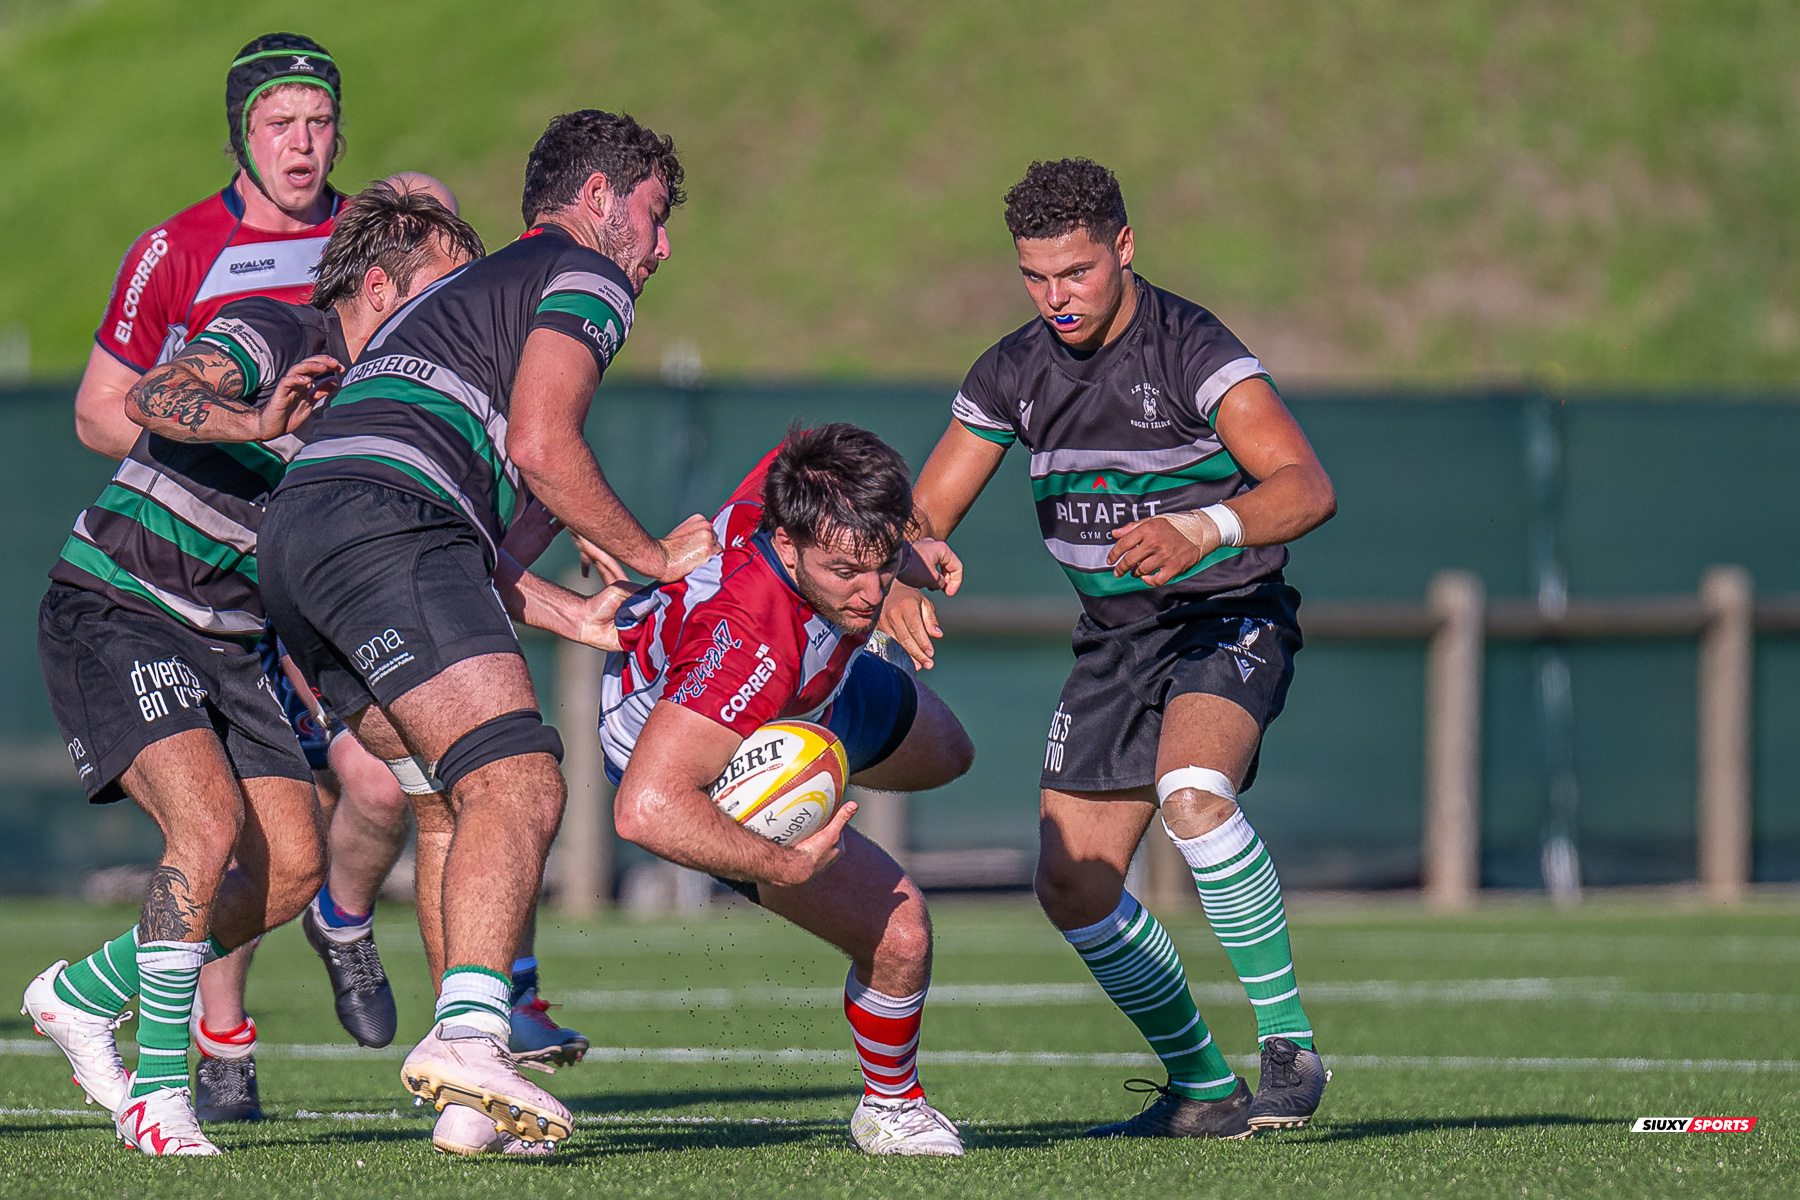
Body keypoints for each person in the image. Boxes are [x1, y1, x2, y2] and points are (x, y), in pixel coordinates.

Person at [258, 109, 719, 1149]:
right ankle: (472, 1038)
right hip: (384, 524)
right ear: (597, 199)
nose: (661, 246)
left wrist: (570, 612)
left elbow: (467, 532)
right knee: (521, 782)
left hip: (301, 539)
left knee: (448, 799)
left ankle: (472, 1091)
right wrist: (653, 558)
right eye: (653, 215)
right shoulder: (584, 271)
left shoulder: (461, 299)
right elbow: (546, 449)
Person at [21, 182, 485, 1156]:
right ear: (378, 284)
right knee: (207, 825)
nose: (458, 311)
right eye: (443, 287)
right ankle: (159, 1096)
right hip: (122, 605)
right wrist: (256, 421)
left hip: (232, 643)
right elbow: (153, 395)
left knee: (292, 870)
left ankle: (83, 993)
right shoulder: (278, 331)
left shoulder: (389, 404)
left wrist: (575, 598)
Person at [881, 158, 1338, 1139]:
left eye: (1077, 272)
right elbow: (923, 517)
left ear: (1124, 248)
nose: (1058, 298)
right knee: (1073, 884)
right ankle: (1204, 1090)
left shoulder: (1193, 350)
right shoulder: (1011, 371)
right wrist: (896, 576)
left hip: (1226, 615)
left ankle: (1291, 1048)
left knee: (1191, 793)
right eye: (1036, 278)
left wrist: (1203, 527)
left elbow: (1306, 486)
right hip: (1115, 640)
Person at [603, 426, 972, 1157]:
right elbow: (644, 809)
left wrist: (909, 555)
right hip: (693, 756)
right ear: (787, 544)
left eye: (882, 564)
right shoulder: (749, 641)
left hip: (804, 688)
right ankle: (892, 1106)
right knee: (901, 935)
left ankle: (809, 744)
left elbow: (858, 527)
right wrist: (785, 863)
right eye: (846, 571)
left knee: (949, 752)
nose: (871, 592)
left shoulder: (802, 480)